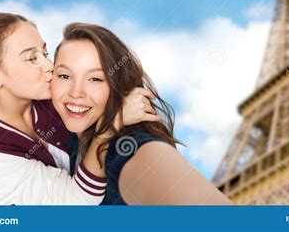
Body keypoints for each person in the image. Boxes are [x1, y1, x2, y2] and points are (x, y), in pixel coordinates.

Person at [0, 12, 157, 205]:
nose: (49, 66)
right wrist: (111, 126)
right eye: (32, 58)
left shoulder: (48, 93)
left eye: (44, 53)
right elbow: (78, 201)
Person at [52, 23, 233, 205]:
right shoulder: (66, 137)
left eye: (96, 79)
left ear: (118, 86)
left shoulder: (133, 151)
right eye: (64, 76)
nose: (76, 92)